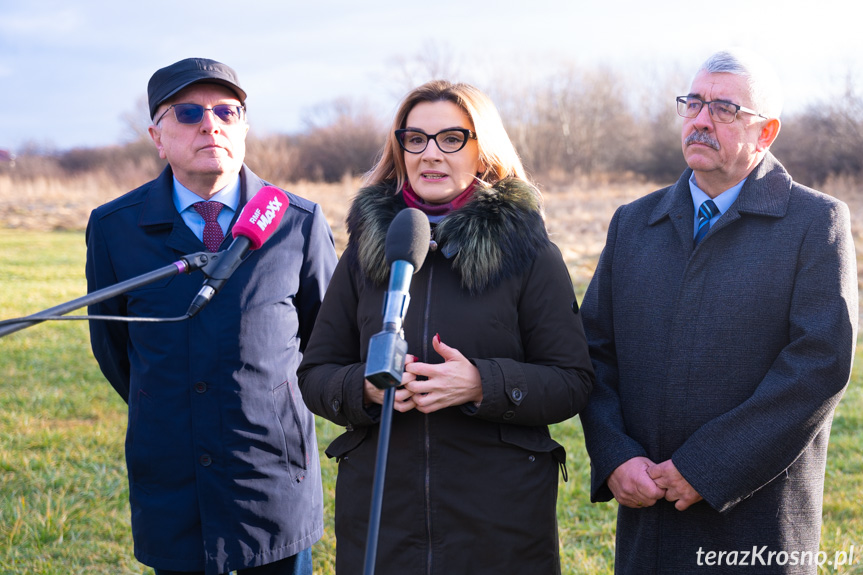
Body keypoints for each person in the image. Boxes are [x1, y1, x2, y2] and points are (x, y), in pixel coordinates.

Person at [297, 80, 594, 574]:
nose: (430, 154)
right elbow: (315, 373)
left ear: (482, 151)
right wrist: (366, 390)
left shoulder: (531, 253)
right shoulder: (365, 253)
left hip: (500, 522)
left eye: (451, 138)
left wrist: (483, 383)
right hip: (382, 516)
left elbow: (573, 381)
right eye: (415, 139)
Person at [579, 48, 858, 574]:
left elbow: (818, 367)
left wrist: (707, 468)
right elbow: (592, 352)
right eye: (694, 104)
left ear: (767, 132)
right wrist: (614, 455)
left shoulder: (815, 223)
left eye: (724, 109)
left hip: (756, 524)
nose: (701, 120)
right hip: (649, 519)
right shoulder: (634, 223)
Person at [85, 57, 338, 575]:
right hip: (173, 480)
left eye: (227, 111)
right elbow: (115, 351)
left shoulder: (298, 222)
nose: (210, 123)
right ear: (157, 135)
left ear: (243, 126)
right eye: (188, 112)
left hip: (271, 478)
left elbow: (326, 342)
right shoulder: (114, 228)